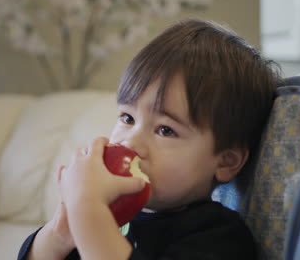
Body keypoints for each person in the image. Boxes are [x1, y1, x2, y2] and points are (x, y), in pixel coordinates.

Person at [17, 18, 282, 260]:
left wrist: (88, 212)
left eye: (166, 130)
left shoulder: (218, 237)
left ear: (226, 161)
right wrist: (58, 234)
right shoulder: (112, 214)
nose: (131, 143)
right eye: (127, 118)